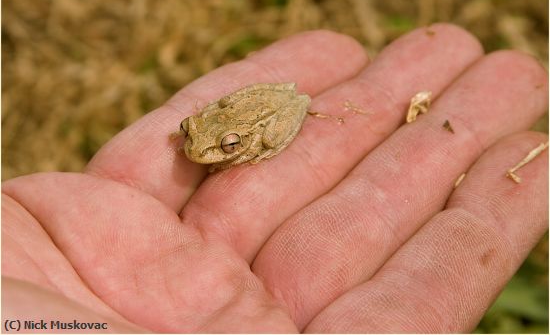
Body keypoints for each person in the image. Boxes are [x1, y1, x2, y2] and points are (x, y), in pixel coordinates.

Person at [2, 24, 548, 333]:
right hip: (244, 110)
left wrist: (246, 147)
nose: (195, 151)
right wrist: (214, 136)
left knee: (267, 123)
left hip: (270, 114)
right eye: (190, 134)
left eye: (214, 148)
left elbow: (289, 102)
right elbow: (212, 125)